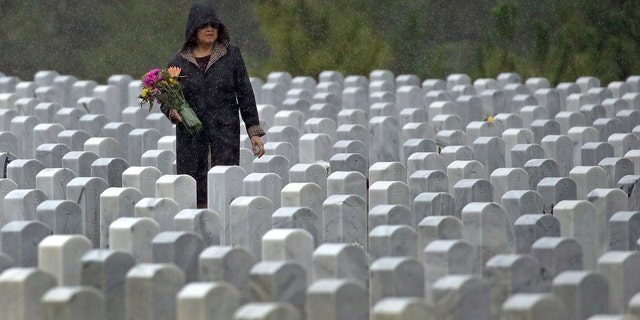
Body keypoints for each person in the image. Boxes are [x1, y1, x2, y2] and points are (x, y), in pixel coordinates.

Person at [162, 2, 265, 208]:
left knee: (225, 184)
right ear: (194, 29)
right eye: (204, 25)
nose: (210, 29)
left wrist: (253, 131)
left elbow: (244, 92)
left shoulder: (231, 55)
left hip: (224, 130)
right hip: (191, 138)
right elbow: (166, 97)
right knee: (194, 189)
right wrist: (172, 111)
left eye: (213, 25)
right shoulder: (178, 62)